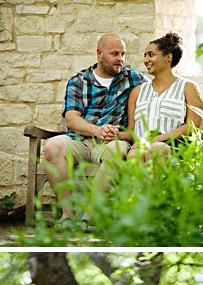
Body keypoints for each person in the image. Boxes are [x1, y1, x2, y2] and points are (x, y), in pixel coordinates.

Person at [43, 34, 146, 222]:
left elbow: (159, 90)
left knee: (116, 149)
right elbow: (71, 119)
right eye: (115, 54)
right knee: (52, 146)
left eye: (123, 54)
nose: (120, 59)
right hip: (79, 140)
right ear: (99, 54)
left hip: (112, 142)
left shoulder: (134, 79)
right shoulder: (79, 81)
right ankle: (68, 216)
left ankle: (88, 218)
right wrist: (96, 130)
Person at [126, 32, 203, 162]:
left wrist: (159, 138)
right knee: (135, 155)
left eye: (151, 55)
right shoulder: (138, 92)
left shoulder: (188, 87)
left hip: (175, 146)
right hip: (141, 147)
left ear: (168, 57)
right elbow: (131, 130)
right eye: (145, 56)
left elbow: (193, 126)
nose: (146, 60)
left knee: (156, 150)